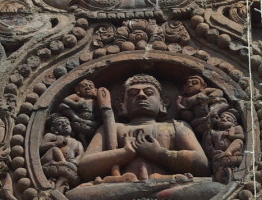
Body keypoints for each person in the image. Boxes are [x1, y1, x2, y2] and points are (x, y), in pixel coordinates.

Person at [77, 75, 208, 183]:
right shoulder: (112, 128)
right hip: (123, 187)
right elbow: (85, 168)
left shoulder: (177, 126)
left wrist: (159, 153)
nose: (141, 95)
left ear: (163, 102)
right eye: (133, 94)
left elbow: (201, 163)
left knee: (211, 188)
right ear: (120, 104)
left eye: (149, 92)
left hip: (166, 186)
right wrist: (123, 153)